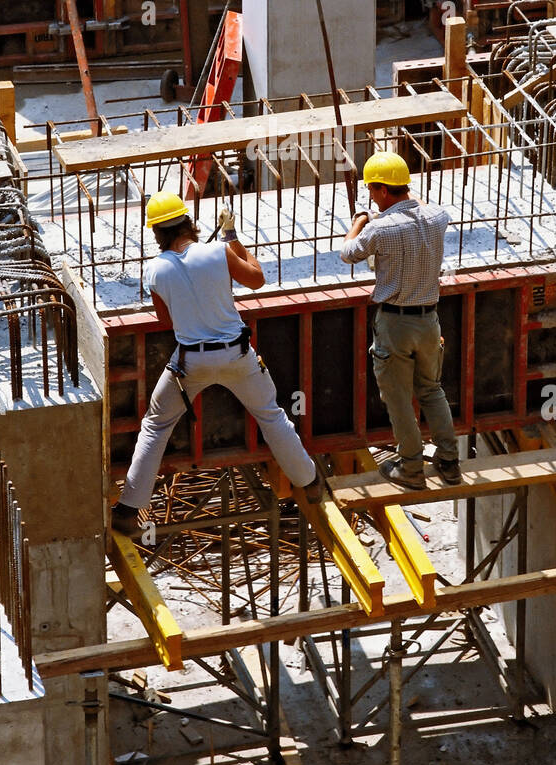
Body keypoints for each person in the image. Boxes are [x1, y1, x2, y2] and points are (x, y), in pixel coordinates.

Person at [112, 193, 322, 533]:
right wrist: (232, 239)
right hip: (237, 355)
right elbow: (257, 278)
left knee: (155, 426)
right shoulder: (217, 252)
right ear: (187, 223)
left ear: (157, 233)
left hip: (189, 362)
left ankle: (128, 509)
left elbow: (167, 321)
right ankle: (309, 481)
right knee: (271, 415)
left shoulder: (153, 270)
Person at [339, 151, 461, 489]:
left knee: (398, 398)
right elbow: (422, 207)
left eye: (371, 191)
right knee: (431, 390)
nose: (371, 197)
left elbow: (348, 254)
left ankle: (411, 468)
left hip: (395, 324)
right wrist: (403, 202)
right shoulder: (436, 216)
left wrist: (358, 222)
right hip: (429, 322)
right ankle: (449, 462)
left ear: (380, 190)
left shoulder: (380, 229)